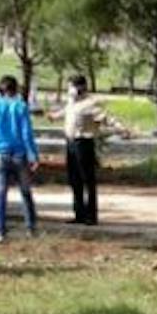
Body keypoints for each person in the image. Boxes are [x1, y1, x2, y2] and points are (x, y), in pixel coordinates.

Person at [0, 74, 39, 243]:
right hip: (19, 154)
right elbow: (26, 132)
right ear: (16, 88)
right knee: (25, 191)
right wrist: (33, 154)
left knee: (0, 194)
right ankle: (31, 226)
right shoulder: (20, 106)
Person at [51, 74, 109, 225]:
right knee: (74, 180)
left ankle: (91, 215)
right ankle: (79, 213)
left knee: (87, 180)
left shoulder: (91, 103)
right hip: (70, 143)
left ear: (80, 88)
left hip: (84, 143)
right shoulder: (72, 102)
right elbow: (66, 112)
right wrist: (54, 116)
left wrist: (123, 130)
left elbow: (106, 118)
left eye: (70, 87)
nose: (68, 90)